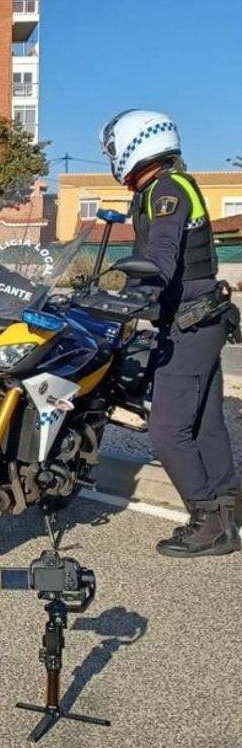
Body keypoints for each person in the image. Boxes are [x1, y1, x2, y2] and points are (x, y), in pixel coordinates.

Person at [99, 110, 240, 558]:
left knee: (167, 429)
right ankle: (228, 507)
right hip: (200, 319)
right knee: (205, 422)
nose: (112, 157)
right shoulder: (166, 187)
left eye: (114, 148)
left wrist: (133, 298)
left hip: (190, 322)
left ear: (134, 145)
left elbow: (160, 255)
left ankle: (208, 522)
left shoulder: (167, 191)